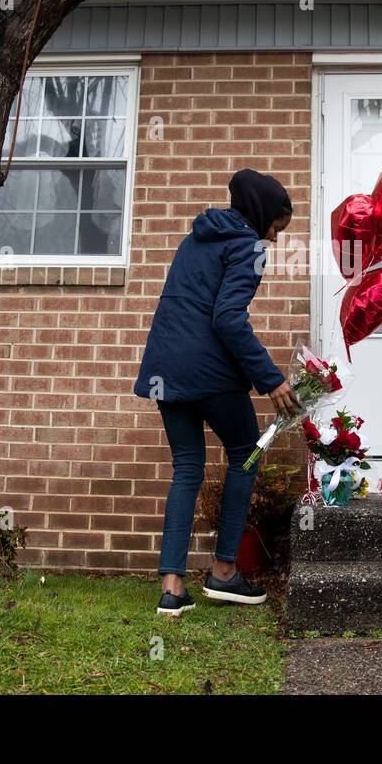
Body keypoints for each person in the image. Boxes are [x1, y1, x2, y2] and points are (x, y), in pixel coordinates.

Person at [133, 169, 298, 616]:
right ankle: (225, 572)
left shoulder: (197, 237)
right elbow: (228, 318)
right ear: (262, 216)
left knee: (186, 468)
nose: (276, 240)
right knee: (246, 452)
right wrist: (271, 378)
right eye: (276, 229)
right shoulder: (248, 247)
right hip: (210, 372)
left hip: (167, 369)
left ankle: (172, 587)